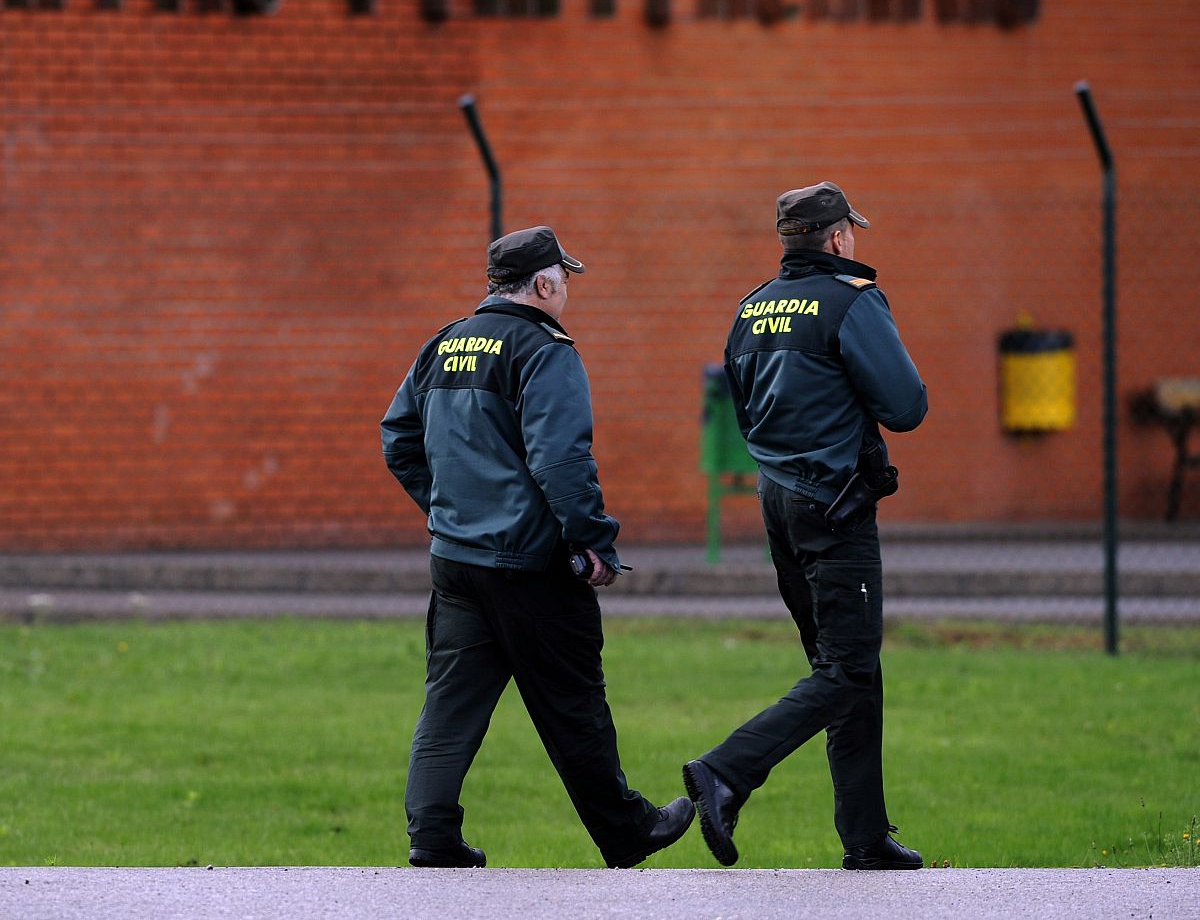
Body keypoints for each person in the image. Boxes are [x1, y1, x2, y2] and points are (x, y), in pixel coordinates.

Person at [380, 225, 694, 870]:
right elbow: (560, 459)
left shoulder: (444, 344)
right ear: (545, 284)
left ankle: (432, 833)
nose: (568, 289)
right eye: (565, 278)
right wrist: (591, 538)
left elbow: (399, 439)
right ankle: (629, 831)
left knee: (452, 700)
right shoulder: (545, 350)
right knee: (573, 701)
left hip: (456, 560)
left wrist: (449, 510)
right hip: (529, 564)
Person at [682, 181, 929, 871]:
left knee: (847, 667)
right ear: (839, 238)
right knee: (847, 668)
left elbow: (743, 406)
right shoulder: (852, 301)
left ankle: (866, 837)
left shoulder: (753, 307)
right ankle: (726, 772)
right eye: (852, 231)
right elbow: (907, 406)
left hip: (779, 504)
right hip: (834, 506)